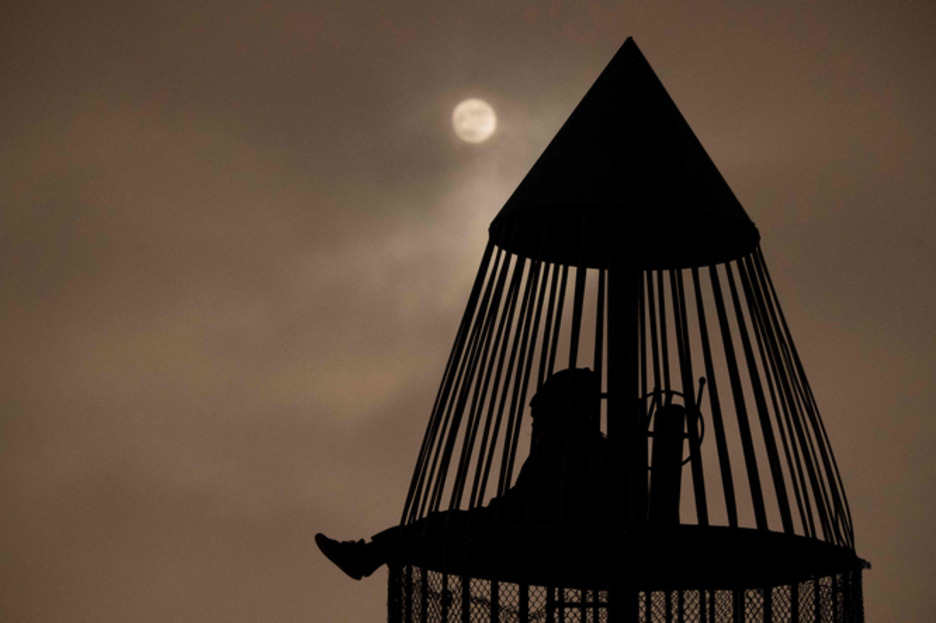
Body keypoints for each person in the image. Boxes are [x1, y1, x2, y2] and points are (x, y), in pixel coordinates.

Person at [316, 368, 610, 580]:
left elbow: (527, 504)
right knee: (440, 524)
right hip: (528, 531)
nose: (536, 425)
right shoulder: (588, 447)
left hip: (524, 537)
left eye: (541, 415)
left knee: (441, 526)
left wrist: (496, 515)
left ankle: (368, 556)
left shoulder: (561, 450)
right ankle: (368, 554)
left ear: (562, 410)